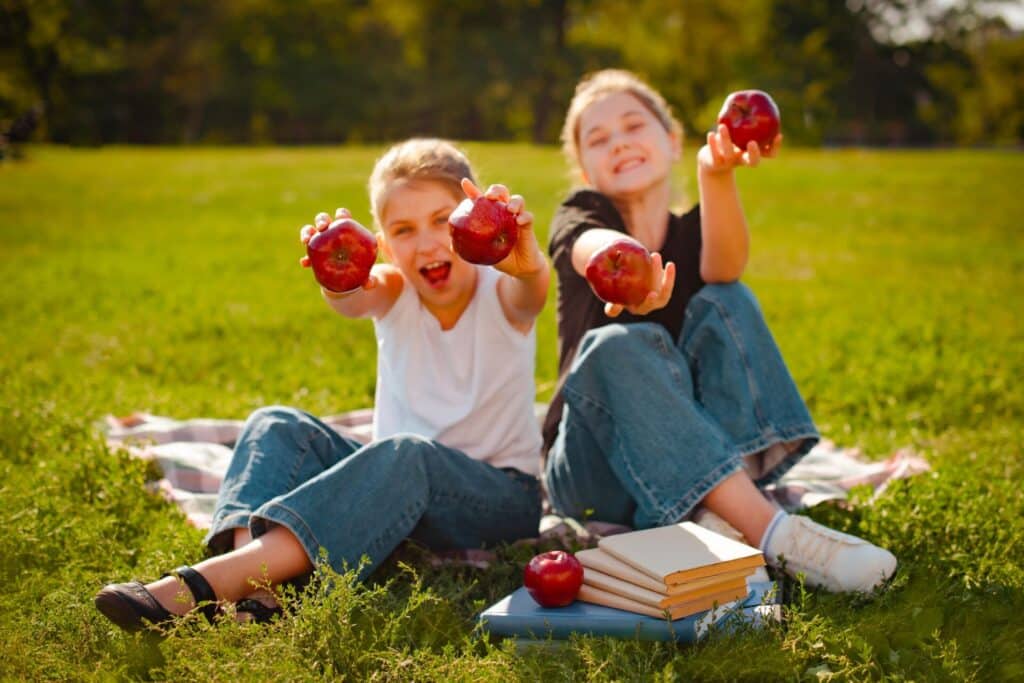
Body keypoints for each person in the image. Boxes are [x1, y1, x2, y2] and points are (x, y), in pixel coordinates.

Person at [95, 138, 551, 631]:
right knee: (276, 424)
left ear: (475, 213)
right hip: (392, 487)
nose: (427, 243)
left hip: (498, 499)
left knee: (409, 453)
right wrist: (339, 273)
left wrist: (527, 264)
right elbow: (356, 294)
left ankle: (201, 587)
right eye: (403, 229)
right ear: (382, 241)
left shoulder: (503, 292)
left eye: (443, 220)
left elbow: (531, 288)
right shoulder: (397, 289)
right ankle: (257, 590)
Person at [542, 69, 896, 594]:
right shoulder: (582, 214)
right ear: (585, 166)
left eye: (633, 125)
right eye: (598, 139)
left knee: (727, 297)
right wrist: (624, 268)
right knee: (617, 344)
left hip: (696, 454)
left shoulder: (692, 232)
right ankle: (777, 535)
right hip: (595, 473)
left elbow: (725, 271)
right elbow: (587, 245)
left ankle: (720, 517)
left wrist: (716, 174)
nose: (618, 143)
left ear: (672, 139)